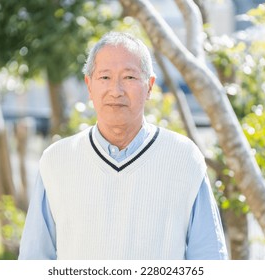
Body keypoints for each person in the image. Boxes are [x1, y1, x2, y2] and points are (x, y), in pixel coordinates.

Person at [18, 31, 228, 260]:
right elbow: (34, 259)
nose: (116, 90)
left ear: (149, 86)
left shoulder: (184, 158)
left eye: (129, 77)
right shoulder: (56, 161)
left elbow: (209, 259)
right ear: (89, 85)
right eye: (105, 78)